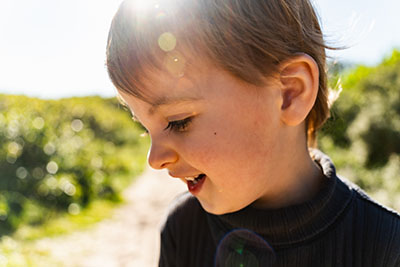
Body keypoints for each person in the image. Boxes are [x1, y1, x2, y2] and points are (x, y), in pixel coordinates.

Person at [106, 0, 400, 266]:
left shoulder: (385, 247)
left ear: (289, 93)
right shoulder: (183, 228)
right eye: (146, 129)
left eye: (178, 121)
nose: (154, 160)